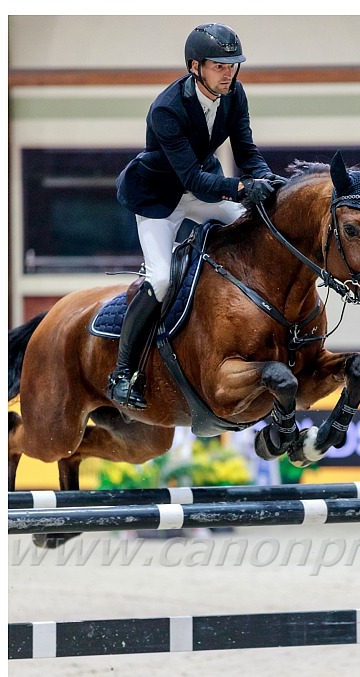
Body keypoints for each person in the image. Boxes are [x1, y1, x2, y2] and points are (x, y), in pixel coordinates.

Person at [108, 22, 286, 410]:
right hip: (160, 199)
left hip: (204, 189)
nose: (230, 73)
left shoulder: (235, 93)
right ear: (195, 66)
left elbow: (246, 149)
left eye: (233, 65)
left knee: (256, 227)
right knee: (159, 278)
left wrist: (262, 177)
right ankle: (123, 373)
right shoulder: (167, 109)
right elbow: (190, 178)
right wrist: (240, 188)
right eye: (220, 66)